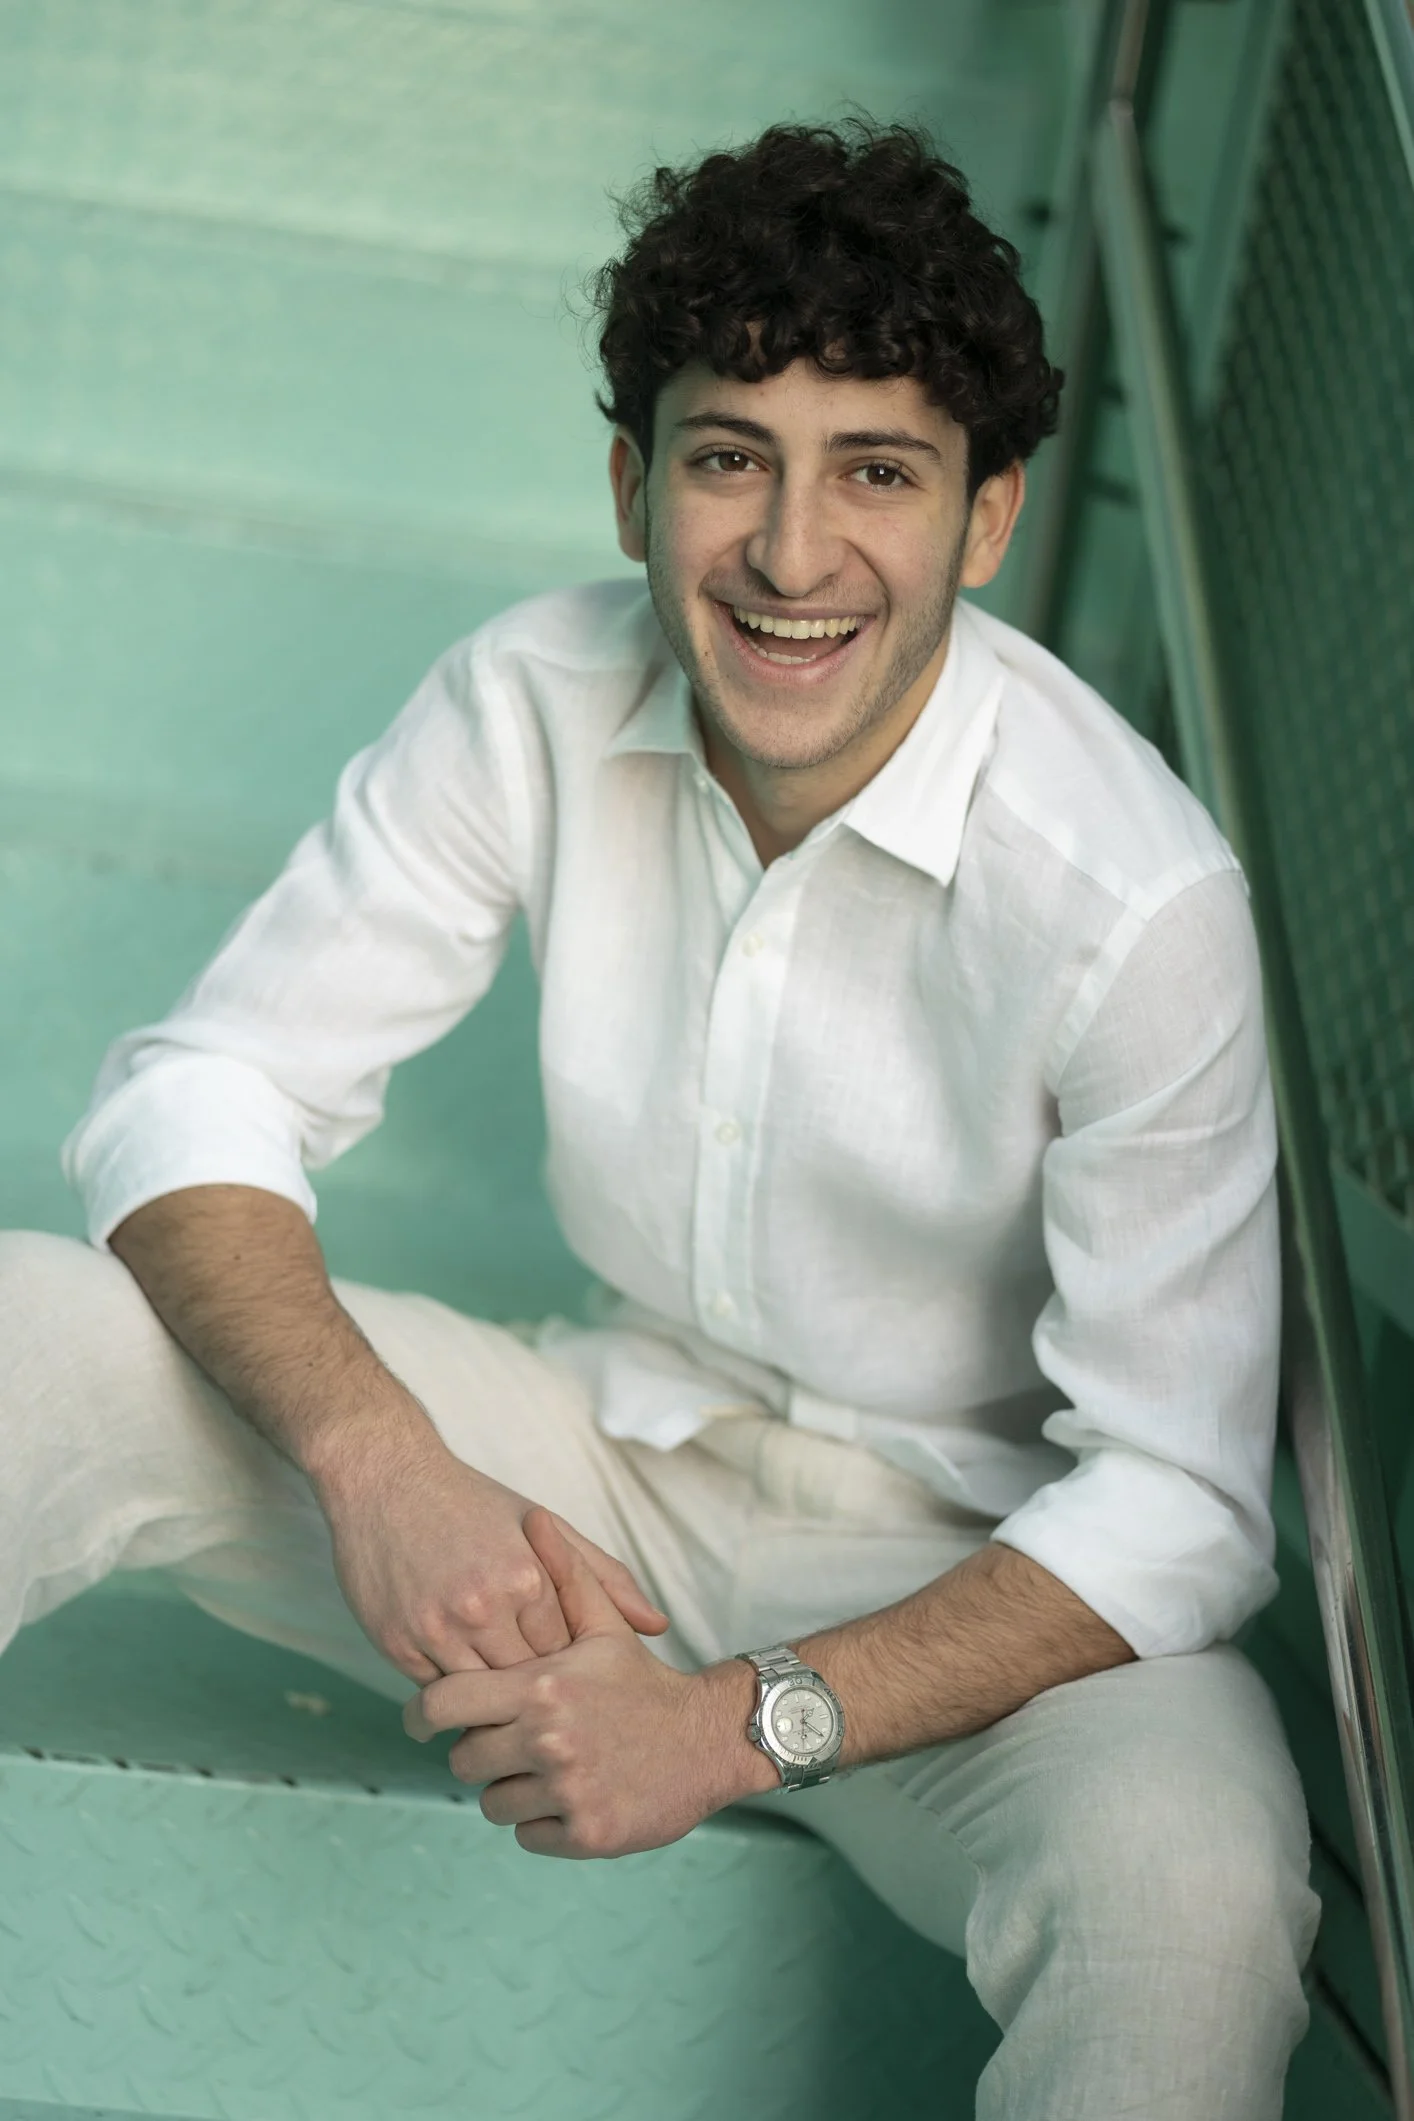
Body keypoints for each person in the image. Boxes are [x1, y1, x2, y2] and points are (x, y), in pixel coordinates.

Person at [1, 120, 1318, 2117]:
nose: (791, 557)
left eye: (874, 471)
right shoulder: (523, 697)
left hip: (973, 1581)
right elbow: (203, 1088)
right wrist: (381, 1462)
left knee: (1196, 1886)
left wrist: (733, 1722)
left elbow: (1177, 1500)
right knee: (32, 1334)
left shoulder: (1132, 901)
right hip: (586, 1475)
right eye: (729, 460)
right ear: (633, 480)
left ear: (983, 517)